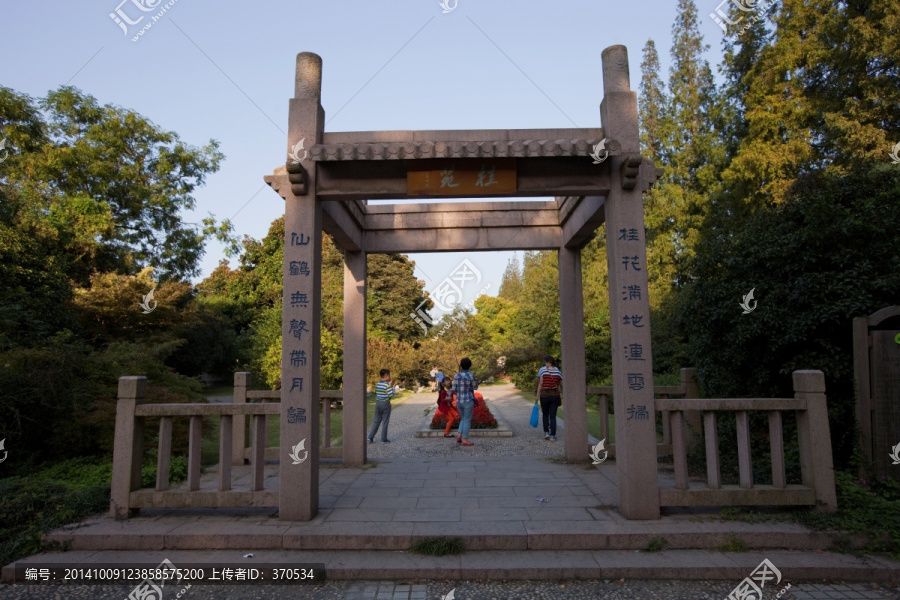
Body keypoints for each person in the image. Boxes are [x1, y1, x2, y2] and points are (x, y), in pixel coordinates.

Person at [452, 357, 478, 446]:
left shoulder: (456, 376)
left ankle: (459, 436)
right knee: (467, 420)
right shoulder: (471, 375)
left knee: (463, 419)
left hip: (459, 401)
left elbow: (453, 390)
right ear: (469, 366)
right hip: (468, 400)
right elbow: (475, 387)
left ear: (461, 365)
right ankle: (465, 440)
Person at [535, 356, 563, 441]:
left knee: (545, 415)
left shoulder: (543, 370)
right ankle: (553, 435)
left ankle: (546, 432)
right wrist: (562, 393)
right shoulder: (558, 372)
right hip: (554, 396)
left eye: (545, 362)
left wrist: (537, 395)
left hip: (544, 396)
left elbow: (540, 384)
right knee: (553, 416)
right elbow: (561, 385)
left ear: (548, 362)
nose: (545, 364)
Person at [367, 368, 395, 443]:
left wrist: (389, 384)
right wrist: (393, 387)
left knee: (376, 421)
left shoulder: (378, 383)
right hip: (385, 403)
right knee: (385, 421)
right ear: (386, 376)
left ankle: (370, 437)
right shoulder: (387, 385)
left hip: (378, 403)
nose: (390, 376)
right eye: (389, 375)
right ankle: (383, 439)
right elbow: (390, 395)